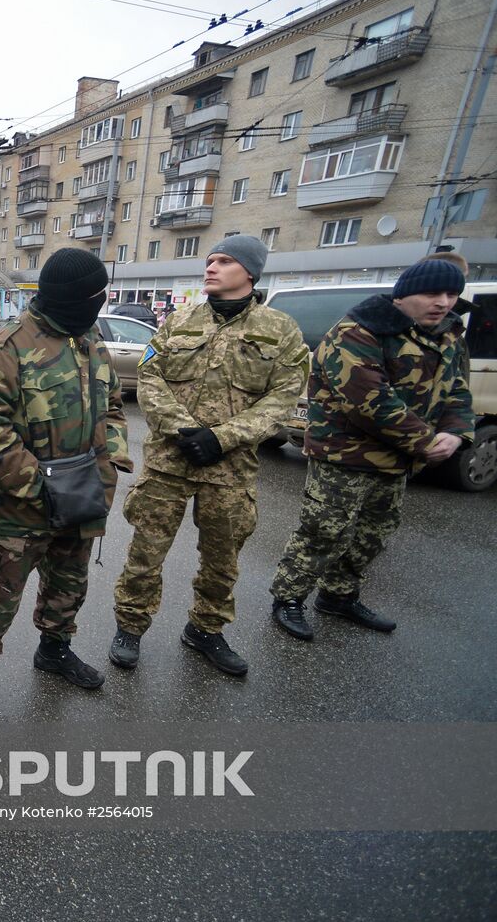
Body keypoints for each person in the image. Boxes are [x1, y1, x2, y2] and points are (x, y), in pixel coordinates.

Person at [110, 235, 308, 676]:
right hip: (168, 462)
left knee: (222, 560)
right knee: (146, 552)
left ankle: (206, 630)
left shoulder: (280, 331)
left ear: (250, 272)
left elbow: (283, 397)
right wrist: (184, 429)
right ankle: (130, 627)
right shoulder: (178, 322)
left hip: (230, 469)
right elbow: (149, 377)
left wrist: (223, 437)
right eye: (210, 260)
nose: (211, 267)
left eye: (224, 261)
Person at [0, 249, 132, 716]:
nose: (101, 304)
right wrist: (39, 487)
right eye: (97, 296)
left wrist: (111, 457)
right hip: (22, 503)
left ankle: (53, 649)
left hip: (84, 496)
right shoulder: (6, 347)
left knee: (69, 582)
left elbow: (113, 406)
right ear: (75, 298)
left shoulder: (91, 340)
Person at [269, 259, 473, 639]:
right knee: (324, 530)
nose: (443, 302)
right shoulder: (359, 332)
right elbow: (369, 401)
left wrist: (457, 433)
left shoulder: (448, 337)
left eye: (452, 294)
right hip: (344, 454)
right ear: (403, 295)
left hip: (398, 460)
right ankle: (289, 597)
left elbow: (458, 392)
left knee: (373, 532)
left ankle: (339, 597)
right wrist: (428, 442)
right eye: (432, 293)